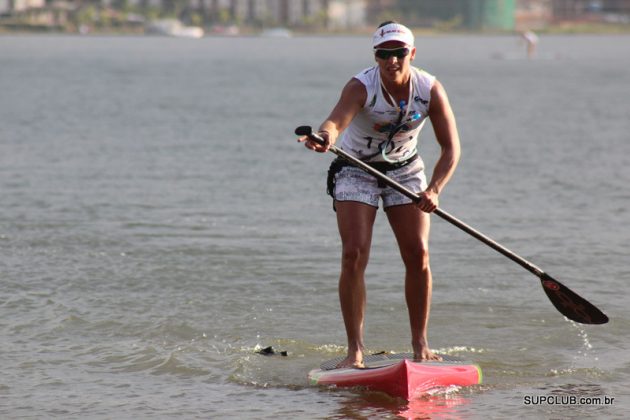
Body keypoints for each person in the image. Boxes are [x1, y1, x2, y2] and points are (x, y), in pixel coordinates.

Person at [298, 21, 461, 368]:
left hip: (406, 171)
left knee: (418, 255)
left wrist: (434, 189)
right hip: (357, 168)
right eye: (384, 54)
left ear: (411, 54)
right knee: (354, 254)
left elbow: (451, 148)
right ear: (376, 56)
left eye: (399, 53)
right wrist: (323, 137)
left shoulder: (429, 88)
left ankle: (421, 346)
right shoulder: (361, 86)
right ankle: (354, 351)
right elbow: (336, 122)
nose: (392, 61)